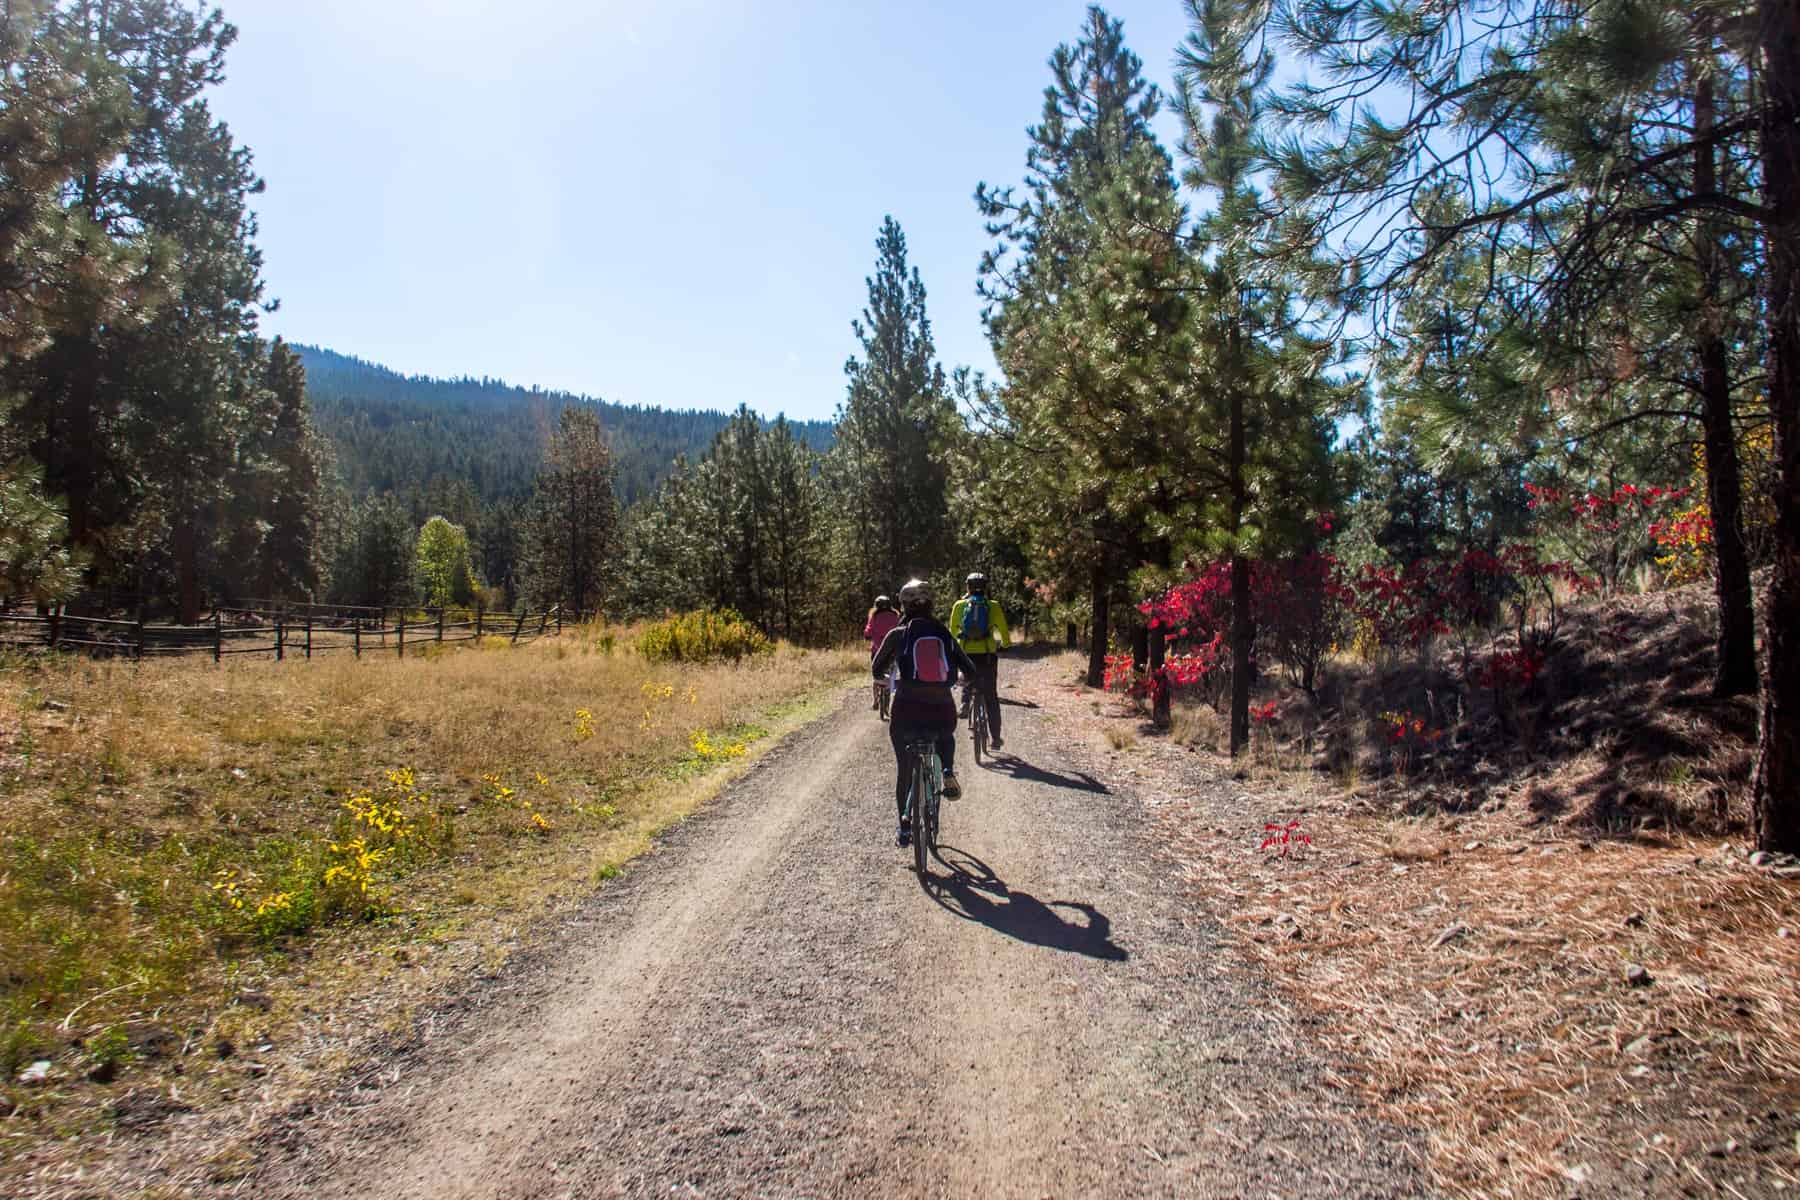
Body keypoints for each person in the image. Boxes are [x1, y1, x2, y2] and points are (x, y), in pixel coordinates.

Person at [871, 578, 977, 847]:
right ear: (931, 603)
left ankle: (905, 828)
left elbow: (876, 668)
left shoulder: (899, 634)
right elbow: (969, 668)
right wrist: (963, 679)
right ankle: (948, 769)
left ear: (903, 604)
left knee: (904, 769)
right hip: (940, 705)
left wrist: (887, 679)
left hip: (906, 706)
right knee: (943, 735)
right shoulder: (943, 633)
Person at [949, 572, 1009, 751]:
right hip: (987, 654)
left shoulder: (959, 605)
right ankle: (996, 738)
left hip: (965, 653)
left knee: (967, 676)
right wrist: (1006, 643)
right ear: (985, 587)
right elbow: (1003, 631)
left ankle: (965, 701)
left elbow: (952, 631)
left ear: (967, 587)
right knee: (991, 695)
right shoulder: (993, 606)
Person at [863, 595, 901, 710]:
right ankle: (889, 695)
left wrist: (868, 636)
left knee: (876, 674)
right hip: (893, 651)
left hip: (877, 650)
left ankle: (875, 701)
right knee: (892, 673)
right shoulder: (895, 615)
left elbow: (868, 632)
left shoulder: (874, 616)